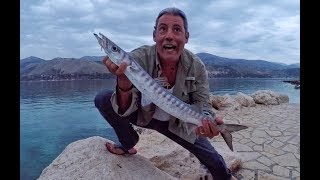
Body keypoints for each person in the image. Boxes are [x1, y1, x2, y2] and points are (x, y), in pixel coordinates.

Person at [94, 7, 237, 180]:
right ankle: (128, 142)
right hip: (143, 115)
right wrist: (123, 82)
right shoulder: (138, 58)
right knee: (103, 98)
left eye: (177, 29)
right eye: (162, 29)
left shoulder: (197, 66)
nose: (169, 35)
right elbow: (123, 107)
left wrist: (207, 120)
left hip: (179, 122)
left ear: (186, 37)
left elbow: (203, 103)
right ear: (154, 35)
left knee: (215, 162)